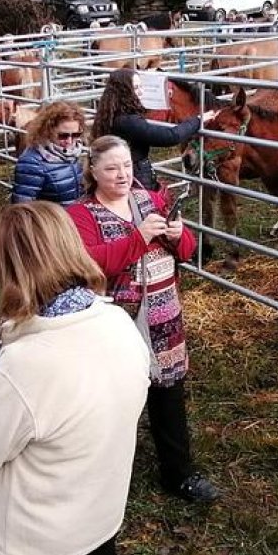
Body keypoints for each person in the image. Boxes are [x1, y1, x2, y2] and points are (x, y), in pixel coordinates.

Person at [0, 202, 150, 555]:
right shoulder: (119, 321)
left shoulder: (24, 365)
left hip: (36, 542)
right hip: (100, 521)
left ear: (9, 274)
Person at [66, 135, 221, 503]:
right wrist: (139, 237)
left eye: (126, 166)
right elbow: (91, 264)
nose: (121, 175)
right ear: (93, 170)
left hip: (163, 313)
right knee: (112, 398)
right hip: (115, 322)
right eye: (111, 168)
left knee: (168, 392)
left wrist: (180, 235)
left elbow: (186, 252)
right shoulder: (80, 215)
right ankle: (101, 475)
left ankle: (179, 473)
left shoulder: (151, 199)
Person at [91, 68, 211, 191]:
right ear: (125, 92)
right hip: (134, 175)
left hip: (125, 171)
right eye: (136, 88)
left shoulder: (111, 113)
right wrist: (197, 120)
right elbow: (171, 136)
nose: (141, 92)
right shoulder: (127, 122)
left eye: (141, 87)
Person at [11, 101, 87, 205]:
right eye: (63, 136)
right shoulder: (32, 162)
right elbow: (23, 206)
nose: (69, 141)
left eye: (76, 135)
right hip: (52, 220)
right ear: (48, 130)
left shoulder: (74, 153)